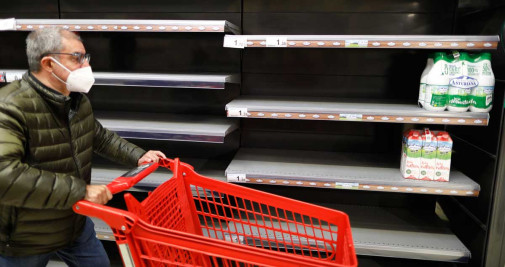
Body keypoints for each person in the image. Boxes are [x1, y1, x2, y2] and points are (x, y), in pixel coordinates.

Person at [0, 28, 166, 266]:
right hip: (27, 235)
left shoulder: (75, 99)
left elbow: (99, 137)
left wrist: (139, 156)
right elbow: (5, 174)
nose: (86, 65)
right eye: (77, 58)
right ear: (48, 63)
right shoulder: (9, 106)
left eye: (86, 57)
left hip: (74, 221)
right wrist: (81, 191)